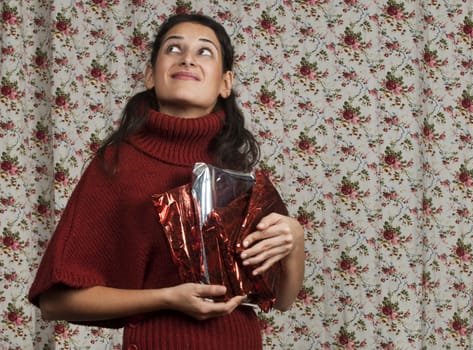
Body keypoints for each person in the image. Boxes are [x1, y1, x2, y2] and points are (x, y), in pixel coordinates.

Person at [28, 13, 305, 350]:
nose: (187, 58)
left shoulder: (238, 173)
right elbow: (55, 302)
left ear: (225, 84)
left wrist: (296, 239)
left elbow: (284, 300)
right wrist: (167, 298)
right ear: (150, 75)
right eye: (174, 49)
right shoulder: (116, 165)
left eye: (205, 52)